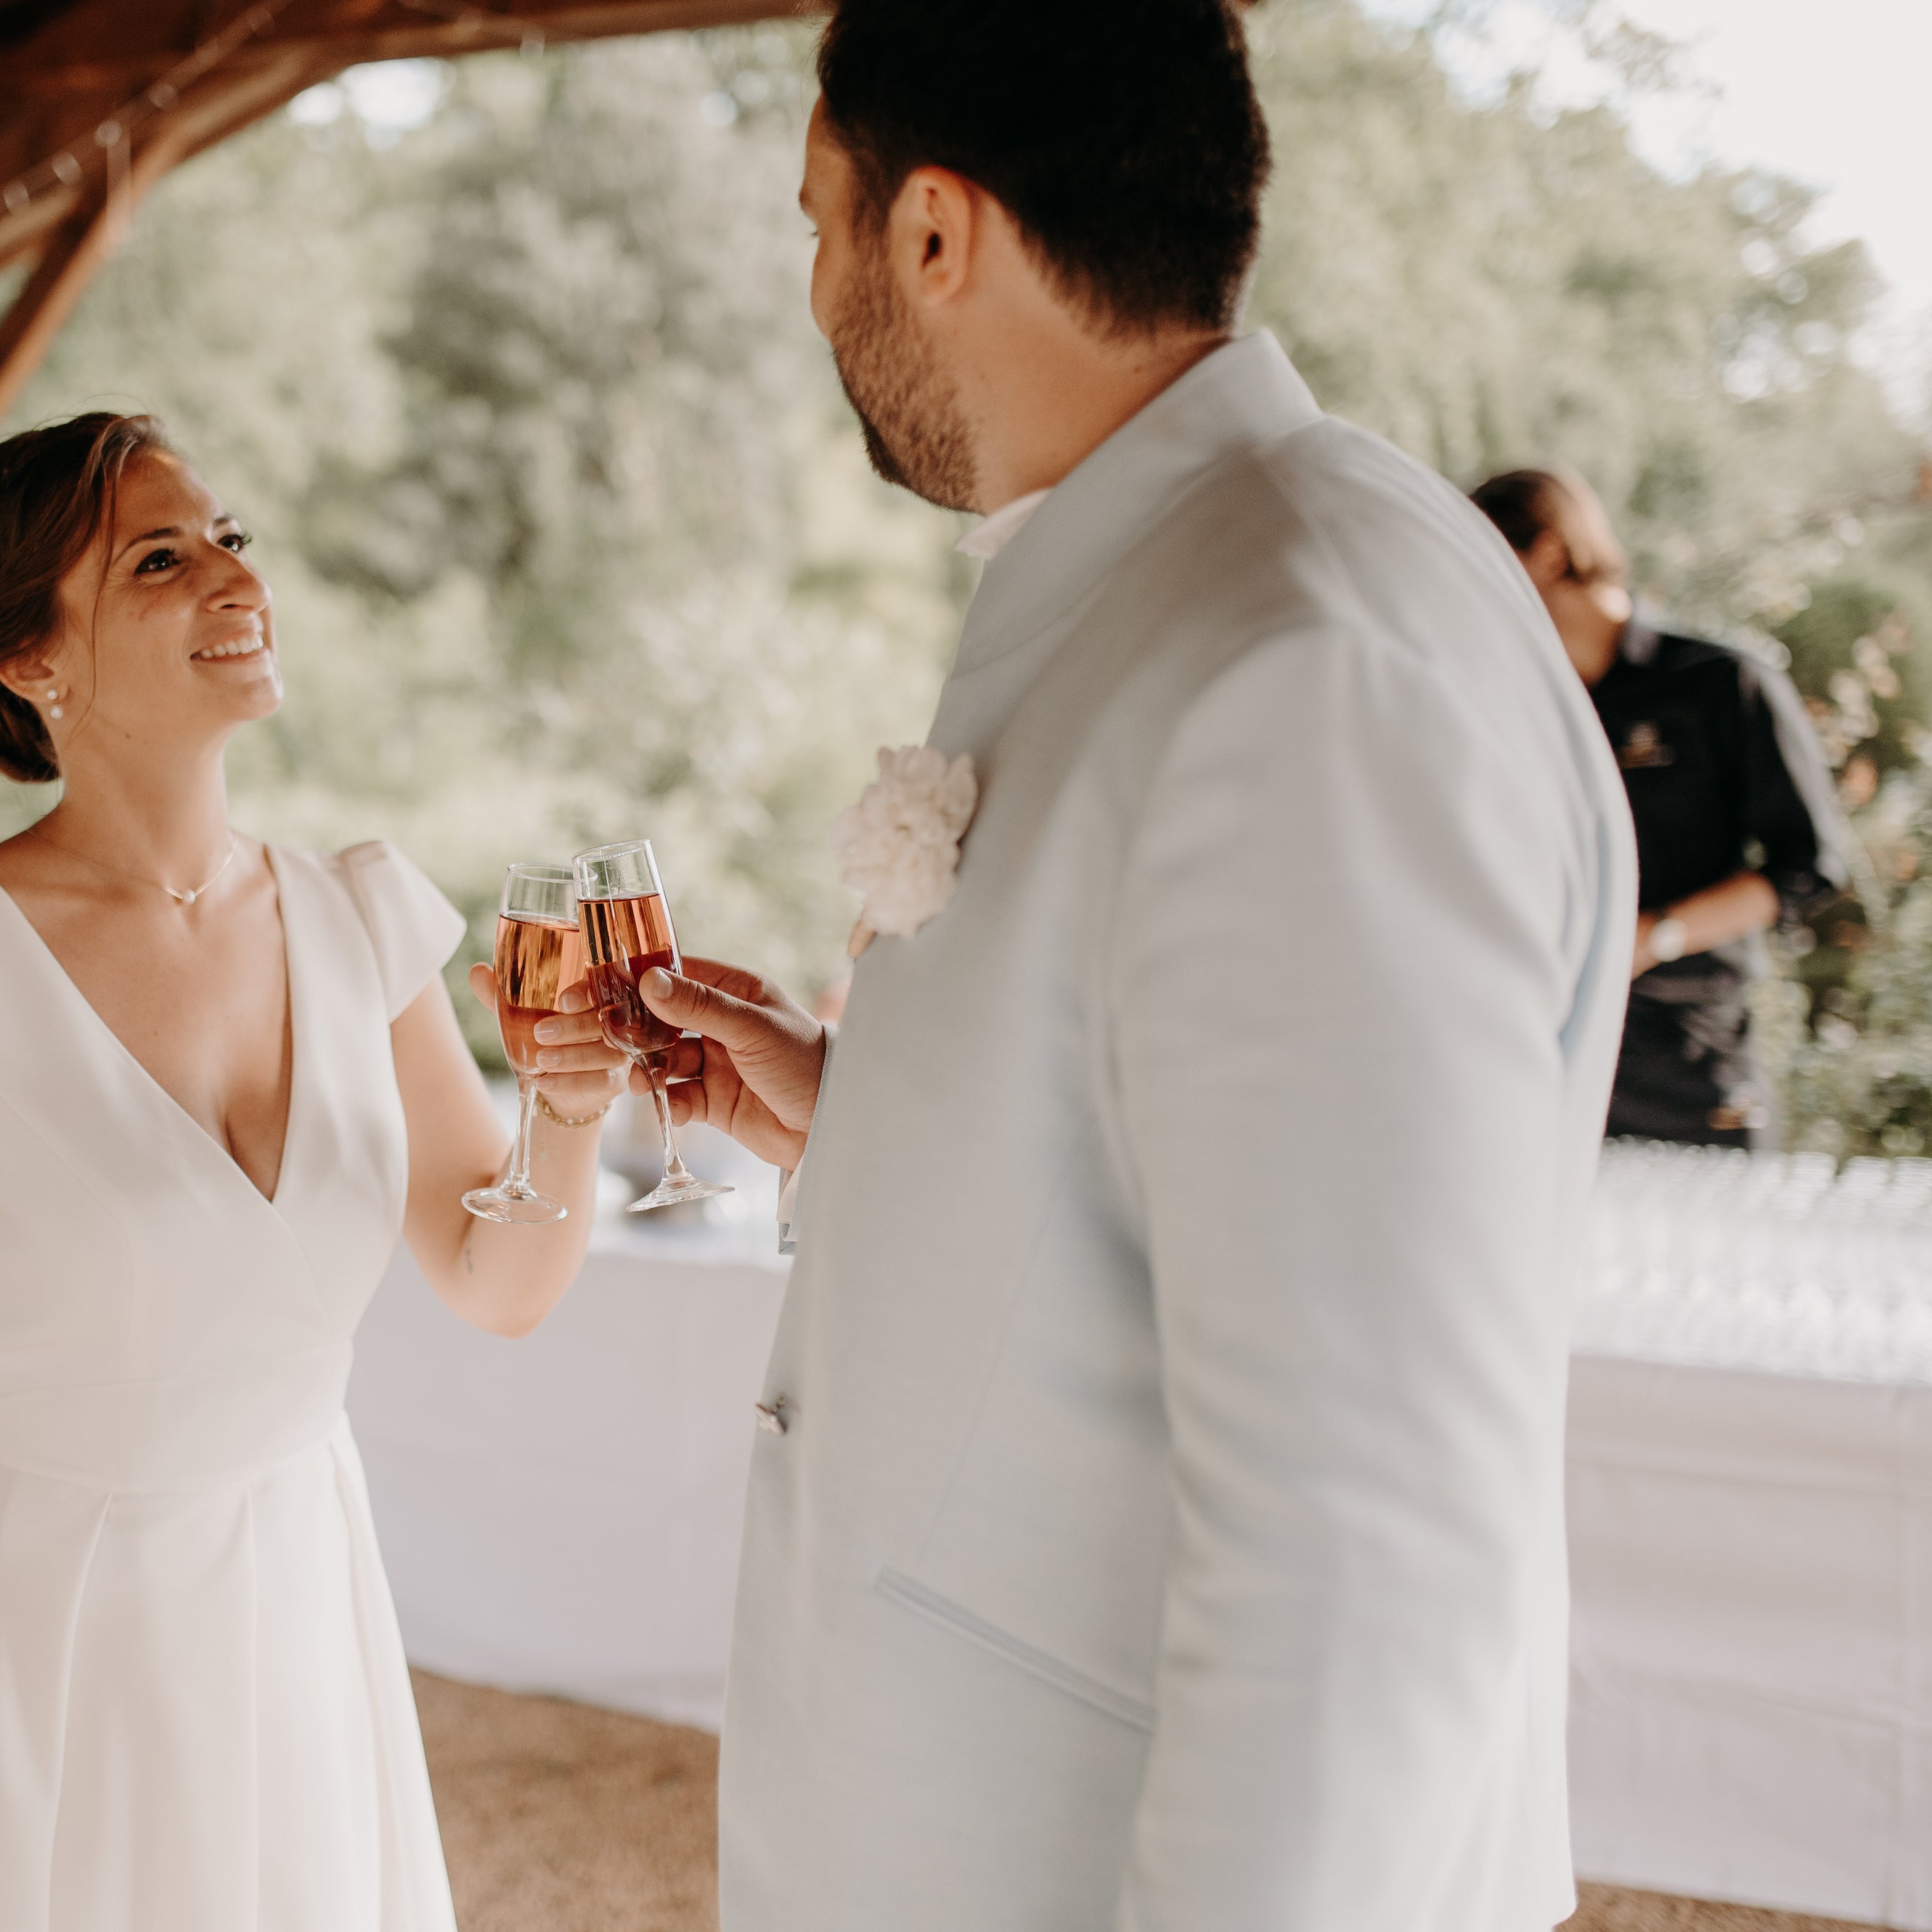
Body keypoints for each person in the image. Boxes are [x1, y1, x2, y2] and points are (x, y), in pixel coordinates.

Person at [534, 4, 1635, 1925]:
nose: (815, 296)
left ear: (938, 234)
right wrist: (858, 1116)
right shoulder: (1196, 568)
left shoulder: (1307, 662)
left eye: (821, 226)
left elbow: (1362, 1546)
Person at [0, 412, 613, 1928]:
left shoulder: (363, 922)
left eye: (231, 539)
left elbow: (497, 1279)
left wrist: (567, 1114)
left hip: (295, 1603)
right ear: (32, 659)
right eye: (161, 557)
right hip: (26, 1634)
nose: (233, 579)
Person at [1472, 467, 1851, 1145]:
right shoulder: (1513, 702)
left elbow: (1807, 868)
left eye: (1487, 565)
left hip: (1690, 1068)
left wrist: (1652, 937)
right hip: (1539, 1055)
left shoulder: (1722, 683)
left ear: (1551, 554)